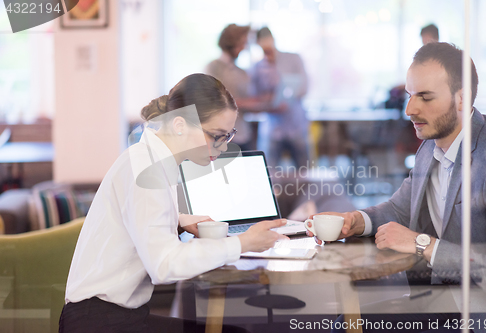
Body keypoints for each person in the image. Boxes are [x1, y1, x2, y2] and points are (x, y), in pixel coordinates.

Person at [59, 73, 288, 333]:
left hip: (115, 316)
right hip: (99, 322)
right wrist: (242, 242)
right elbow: (164, 265)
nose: (223, 147)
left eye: (229, 135)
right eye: (217, 135)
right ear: (180, 125)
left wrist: (177, 220)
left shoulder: (152, 160)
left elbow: (137, 217)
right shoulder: (147, 169)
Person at [308, 43, 486, 331]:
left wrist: (422, 244)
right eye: (410, 96)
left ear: (463, 98)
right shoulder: (430, 149)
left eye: (425, 97)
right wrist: (355, 221)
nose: (410, 109)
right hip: (442, 298)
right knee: (344, 323)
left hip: (480, 314)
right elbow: (400, 207)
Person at [250, 27, 309, 169]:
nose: (267, 51)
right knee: (268, 171)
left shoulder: (293, 59)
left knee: (305, 172)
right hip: (272, 127)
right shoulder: (257, 67)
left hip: (296, 125)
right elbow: (254, 96)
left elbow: (304, 87)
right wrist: (268, 101)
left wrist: (286, 97)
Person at [205, 24, 254, 151]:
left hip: (243, 134)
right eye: (242, 43)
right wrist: (246, 103)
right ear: (231, 43)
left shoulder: (242, 72)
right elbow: (216, 102)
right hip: (222, 138)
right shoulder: (213, 67)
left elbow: (249, 100)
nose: (244, 47)